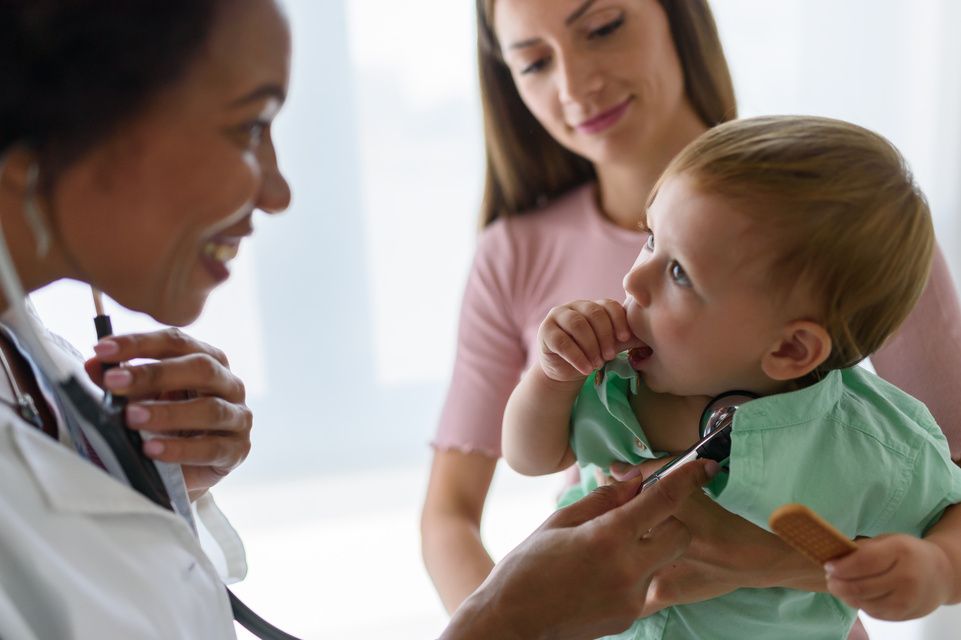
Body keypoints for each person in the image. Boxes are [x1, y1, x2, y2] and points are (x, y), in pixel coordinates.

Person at [0, 1, 732, 638]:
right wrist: (512, 622)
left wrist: (158, 477)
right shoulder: (519, 254)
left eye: (602, 27)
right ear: (66, 118)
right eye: (249, 125)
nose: (281, 191)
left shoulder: (45, 362)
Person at [421, 2, 961, 636]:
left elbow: (936, 503)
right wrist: (520, 621)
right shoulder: (581, 341)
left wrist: (779, 563)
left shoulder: (850, 226)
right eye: (534, 61)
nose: (574, 86)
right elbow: (456, 509)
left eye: (602, 28)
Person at [503, 115, 961, 639]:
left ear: (790, 348)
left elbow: (952, 510)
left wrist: (939, 568)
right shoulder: (615, 372)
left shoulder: (865, 443)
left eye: (680, 273)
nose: (634, 278)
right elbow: (529, 457)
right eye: (651, 238)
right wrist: (551, 375)